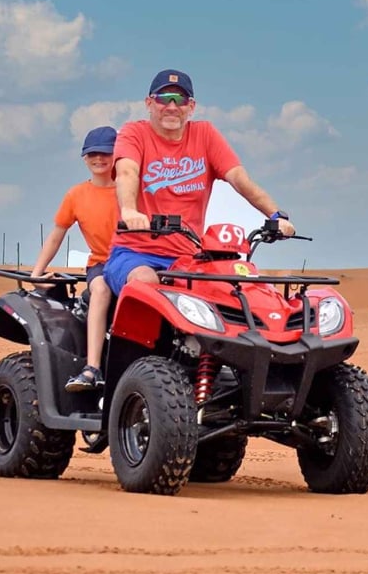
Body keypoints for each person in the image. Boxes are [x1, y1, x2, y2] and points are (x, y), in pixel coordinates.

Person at [104, 68, 296, 330]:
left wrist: (276, 215)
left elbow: (240, 180)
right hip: (135, 252)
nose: (172, 106)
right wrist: (129, 211)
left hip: (189, 257)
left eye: (180, 100)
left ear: (191, 107)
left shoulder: (204, 135)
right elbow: (127, 171)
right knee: (146, 282)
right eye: (164, 98)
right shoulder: (134, 133)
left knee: (231, 292)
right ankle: (135, 365)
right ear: (149, 103)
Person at [28, 126, 120, 391]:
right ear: (84, 157)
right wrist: (37, 272)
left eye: (105, 153)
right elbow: (57, 235)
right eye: (93, 154)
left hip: (133, 262)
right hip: (101, 264)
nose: (99, 159)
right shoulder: (76, 195)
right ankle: (92, 368)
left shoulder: (132, 191)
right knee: (100, 289)